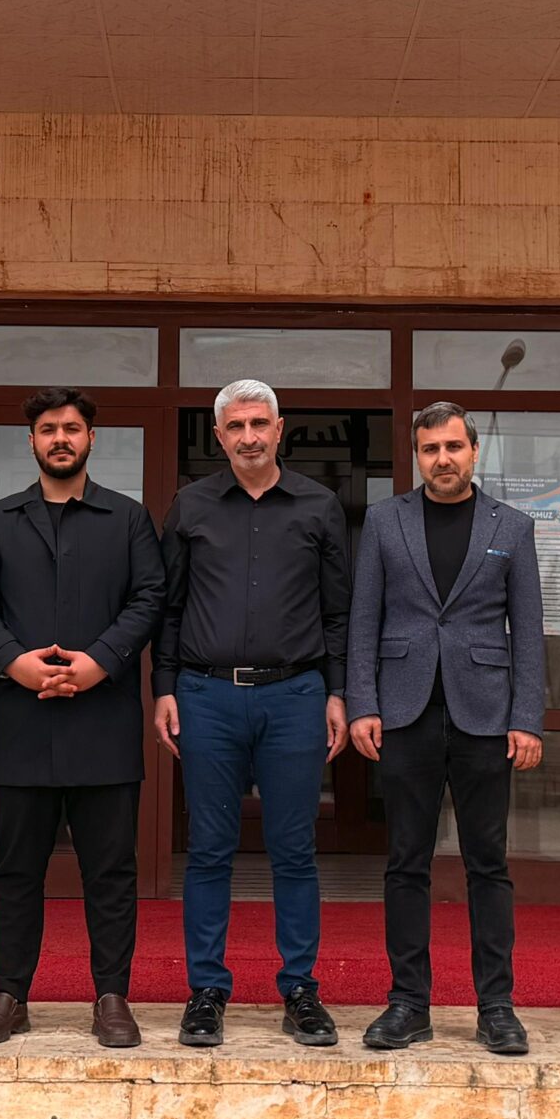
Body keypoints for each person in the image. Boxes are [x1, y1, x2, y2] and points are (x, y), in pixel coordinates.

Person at [0, 388, 166, 1049]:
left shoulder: (127, 519)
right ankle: (9, 994)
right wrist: (13, 662)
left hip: (103, 719)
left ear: (91, 439)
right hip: (22, 719)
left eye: (72, 428)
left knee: (111, 869)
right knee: (16, 869)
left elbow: (150, 596)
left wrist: (101, 661)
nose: (60, 439)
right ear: (33, 442)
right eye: (48, 430)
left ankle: (111, 997)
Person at [154, 378, 351, 1049]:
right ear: (219, 436)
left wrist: (337, 691)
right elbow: (169, 607)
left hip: (294, 695)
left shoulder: (320, 507)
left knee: (294, 852)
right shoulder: (190, 506)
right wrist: (164, 687)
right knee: (209, 851)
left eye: (258, 424)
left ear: (279, 428)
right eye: (235, 427)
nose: (248, 437)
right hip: (207, 696)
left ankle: (300, 988)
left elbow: (337, 612)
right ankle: (206, 989)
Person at [346, 401, 546, 1057]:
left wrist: (526, 717)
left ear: (474, 450)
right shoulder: (384, 520)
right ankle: (408, 1003)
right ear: (417, 454)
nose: (443, 460)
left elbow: (529, 632)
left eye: (454, 447)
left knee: (488, 864)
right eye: (431, 449)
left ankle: (497, 1006)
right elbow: (363, 621)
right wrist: (362, 705)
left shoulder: (510, 527)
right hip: (404, 712)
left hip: (485, 714)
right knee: (407, 862)